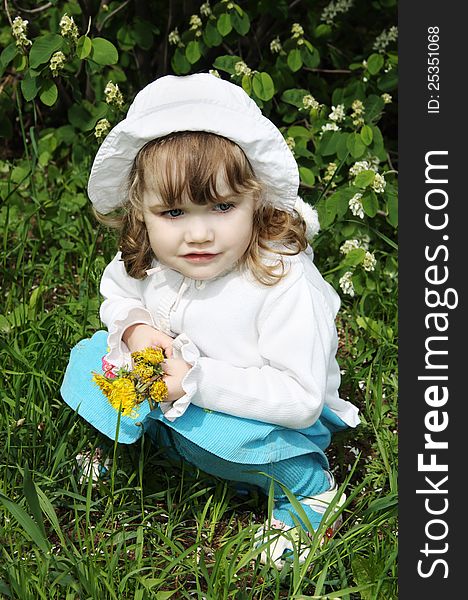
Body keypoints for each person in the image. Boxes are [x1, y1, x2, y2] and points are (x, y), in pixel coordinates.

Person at [61, 73, 360, 567]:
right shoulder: (151, 256)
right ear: (141, 212)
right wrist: (135, 326)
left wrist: (196, 383)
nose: (198, 233)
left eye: (222, 206)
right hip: (168, 383)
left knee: (216, 435)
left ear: (256, 200)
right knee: (89, 360)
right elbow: (116, 292)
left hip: (265, 417)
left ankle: (309, 493)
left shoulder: (281, 282)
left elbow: (300, 398)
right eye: (173, 212)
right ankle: (144, 437)